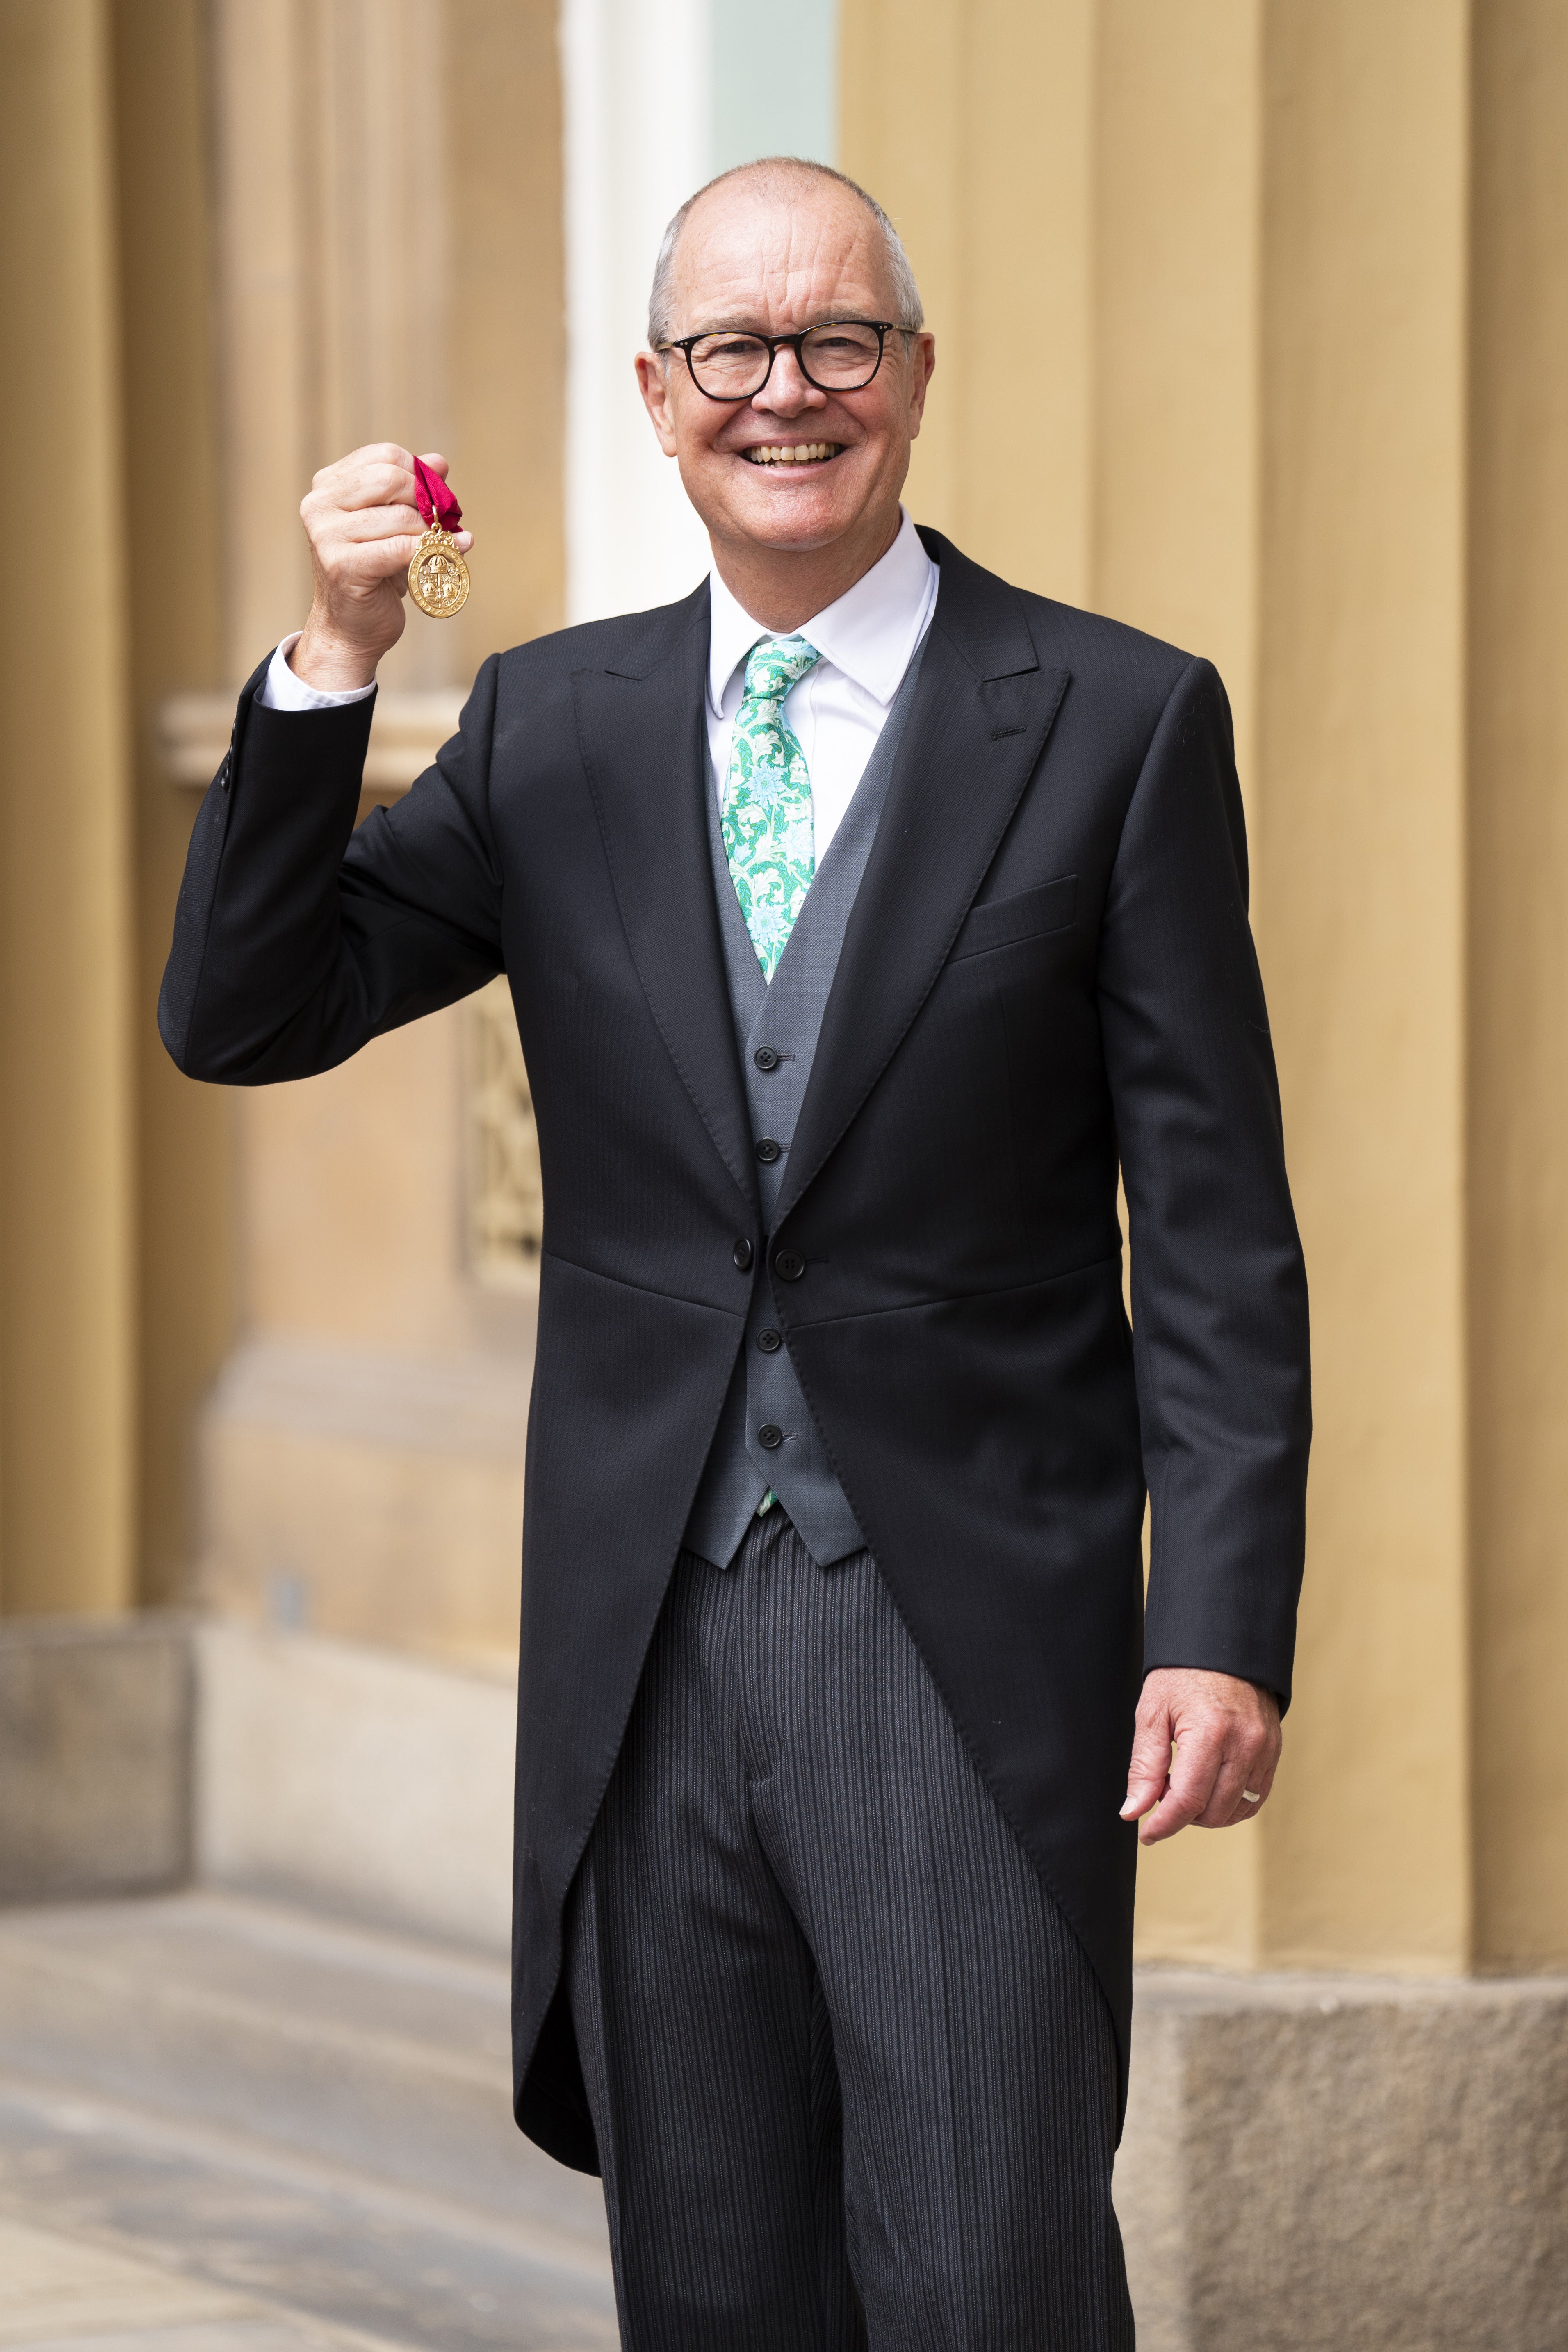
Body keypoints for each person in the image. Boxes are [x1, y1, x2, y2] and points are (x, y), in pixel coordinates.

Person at [162, 158, 1309, 2350]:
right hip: (648, 1650)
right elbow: (246, 1008)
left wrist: (1224, 1619)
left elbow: (1227, 1232)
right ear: (658, 395)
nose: (787, 391)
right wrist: (337, 658)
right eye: (734, 349)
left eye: (837, 341)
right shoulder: (553, 727)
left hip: (972, 1639)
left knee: (987, 2275)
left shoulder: (1118, 720)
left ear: (914, 374)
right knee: (713, 2289)